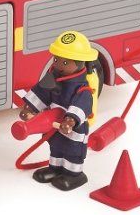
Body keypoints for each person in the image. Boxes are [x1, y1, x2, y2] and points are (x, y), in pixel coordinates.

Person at [17, 30, 99, 190]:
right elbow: (41, 92)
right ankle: (54, 169)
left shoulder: (82, 89)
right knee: (56, 147)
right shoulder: (53, 77)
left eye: (65, 63)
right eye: (56, 59)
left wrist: (70, 121)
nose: (59, 65)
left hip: (73, 129)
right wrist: (29, 108)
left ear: (80, 63)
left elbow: (82, 105)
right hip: (54, 125)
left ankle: (74, 174)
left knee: (72, 152)